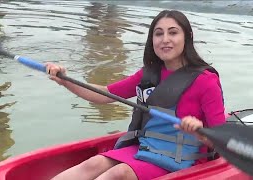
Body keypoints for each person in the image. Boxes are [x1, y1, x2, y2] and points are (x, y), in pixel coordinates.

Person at [48, 10, 225, 180]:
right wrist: (65, 80)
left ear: (188, 36)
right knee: (93, 164)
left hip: (186, 159)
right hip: (147, 147)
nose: (165, 40)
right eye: (158, 34)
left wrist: (201, 133)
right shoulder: (149, 74)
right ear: (152, 39)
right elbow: (104, 94)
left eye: (173, 33)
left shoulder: (206, 81)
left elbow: (223, 140)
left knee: (119, 174)